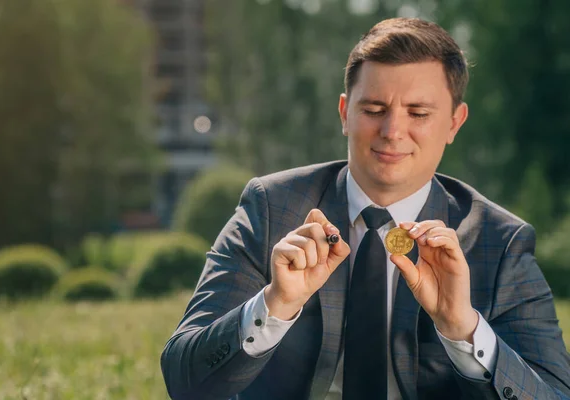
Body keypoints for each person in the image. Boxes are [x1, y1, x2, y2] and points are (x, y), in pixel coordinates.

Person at [160, 17, 570, 400]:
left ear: (454, 124)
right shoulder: (272, 208)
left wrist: (465, 330)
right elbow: (184, 378)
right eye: (374, 110)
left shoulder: (500, 242)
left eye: (418, 113)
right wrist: (273, 306)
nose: (392, 132)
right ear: (345, 113)